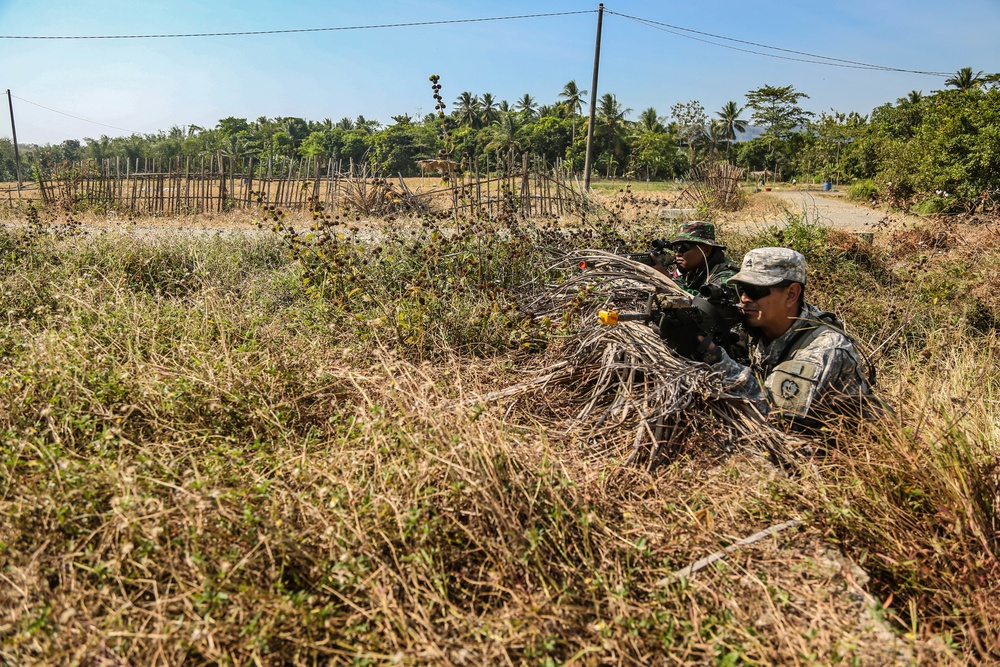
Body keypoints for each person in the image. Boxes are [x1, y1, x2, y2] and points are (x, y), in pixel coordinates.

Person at [660, 247, 874, 429]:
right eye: (741, 289)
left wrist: (713, 354)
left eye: (755, 290)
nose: (744, 299)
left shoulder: (823, 348)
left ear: (791, 294)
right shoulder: (757, 328)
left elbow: (774, 417)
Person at [651, 221, 738, 296]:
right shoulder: (692, 270)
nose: (678, 253)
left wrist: (667, 280)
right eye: (675, 248)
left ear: (706, 250)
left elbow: (709, 304)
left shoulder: (727, 276)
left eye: (684, 247)